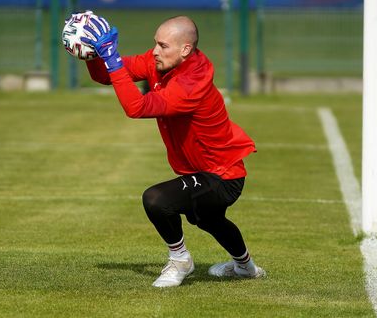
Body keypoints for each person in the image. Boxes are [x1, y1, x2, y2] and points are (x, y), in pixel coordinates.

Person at [80, 14, 266, 287]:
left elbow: (137, 107)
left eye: (163, 46)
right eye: (156, 43)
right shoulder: (163, 61)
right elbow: (107, 75)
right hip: (202, 172)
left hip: (223, 176)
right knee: (209, 220)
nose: (155, 51)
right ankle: (246, 268)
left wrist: (111, 57)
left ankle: (180, 260)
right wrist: (92, 52)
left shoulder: (192, 83)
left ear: (185, 49)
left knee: (156, 199)